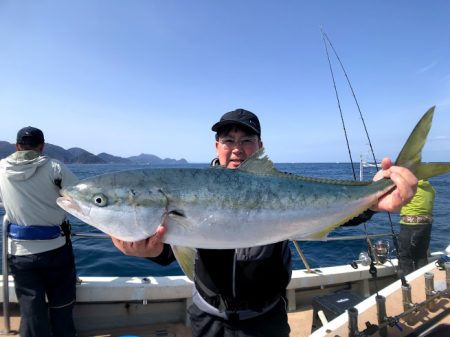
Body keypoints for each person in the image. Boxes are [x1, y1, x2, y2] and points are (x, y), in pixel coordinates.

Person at [111, 108, 418, 337]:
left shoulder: (280, 186)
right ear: (216, 145)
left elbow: (327, 206)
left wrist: (374, 201)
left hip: (266, 319)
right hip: (207, 317)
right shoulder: (188, 189)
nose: (236, 147)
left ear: (259, 147)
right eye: (228, 139)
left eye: (246, 140)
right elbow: (170, 245)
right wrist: (148, 251)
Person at [0, 126, 79, 337]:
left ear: (17, 146)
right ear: (41, 146)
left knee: (31, 308)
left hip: (19, 252)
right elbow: (78, 197)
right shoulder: (55, 167)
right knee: (61, 303)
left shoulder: (1, 168)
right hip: (56, 248)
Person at [398, 179, 436, 275]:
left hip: (409, 227)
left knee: (405, 257)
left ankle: (406, 285)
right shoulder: (430, 188)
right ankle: (423, 281)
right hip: (426, 226)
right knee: (421, 256)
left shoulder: (408, 187)